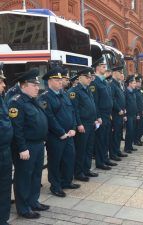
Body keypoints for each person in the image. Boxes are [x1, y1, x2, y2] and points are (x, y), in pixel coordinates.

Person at [8, 68, 50, 219]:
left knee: (36, 175)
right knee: (24, 177)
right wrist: (22, 148)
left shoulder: (33, 100)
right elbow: (16, 128)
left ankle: (33, 201)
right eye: (34, 85)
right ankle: (23, 207)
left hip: (38, 144)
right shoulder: (16, 102)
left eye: (37, 85)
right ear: (24, 85)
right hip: (27, 147)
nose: (37, 87)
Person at [38, 67, 80, 198]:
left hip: (69, 134)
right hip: (56, 137)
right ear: (50, 81)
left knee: (69, 159)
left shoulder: (64, 94)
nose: (60, 82)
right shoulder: (45, 97)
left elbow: (72, 112)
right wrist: (61, 132)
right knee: (55, 162)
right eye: (57, 80)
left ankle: (66, 181)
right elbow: (49, 117)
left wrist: (73, 127)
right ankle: (55, 186)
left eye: (61, 79)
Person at [68, 68, 99, 182]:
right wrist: (79, 124)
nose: (89, 79)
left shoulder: (87, 89)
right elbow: (74, 110)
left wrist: (95, 118)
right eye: (87, 77)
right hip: (83, 124)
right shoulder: (74, 91)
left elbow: (92, 105)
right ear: (80, 77)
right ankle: (78, 172)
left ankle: (86, 169)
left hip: (91, 123)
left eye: (90, 77)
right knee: (81, 149)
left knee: (89, 148)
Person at [89, 57, 117, 170]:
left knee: (106, 138)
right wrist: (98, 116)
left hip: (107, 114)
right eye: (103, 66)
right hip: (101, 115)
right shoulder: (95, 82)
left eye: (105, 66)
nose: (105, 68)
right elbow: (94, 101)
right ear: (97, 68)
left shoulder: (104, 81)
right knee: (100, 139)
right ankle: (100, 162)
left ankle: (105, 159)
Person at [0, 63, 14, 225]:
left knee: (4, 186)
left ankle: (3, 219)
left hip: (5, 150)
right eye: (1, 81)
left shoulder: (2, 99)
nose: (4, 84)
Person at [110, 68, 128, 160]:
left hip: (121, 113)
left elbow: (121, 98)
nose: (121, 74)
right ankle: (113, 154)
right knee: (115, 134)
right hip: (116, 113)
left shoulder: (118, 84)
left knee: (118, 134)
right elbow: (112, 99)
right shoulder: (112, 84)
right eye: (120, 73)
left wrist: (123, 110)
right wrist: (118, 109)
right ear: (115, 73)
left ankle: (117, 151)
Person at [124, 75, 138, 153]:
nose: (135, 84)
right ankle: (127, 147)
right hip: (129, 115)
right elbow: (125, 104)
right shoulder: (126, 92)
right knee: (129, 131)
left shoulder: (133, 92)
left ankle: (130, 146)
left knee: (132, 131)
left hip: (133, 114)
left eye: (135, 83)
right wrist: (125, 115)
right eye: (134, 83)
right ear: (129, 83)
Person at [134, 75, 143, 146]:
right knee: (137, 127)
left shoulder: (139, 91)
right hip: (137, 112)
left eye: (140, 82)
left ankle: (139, 139)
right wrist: (138, 113)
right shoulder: (134, 91)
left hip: (141, 111)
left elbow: (141, 101)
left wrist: (142, 109)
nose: (140, 83)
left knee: (141, 126)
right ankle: (136, 140)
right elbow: (135, 103)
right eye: (138, 82)